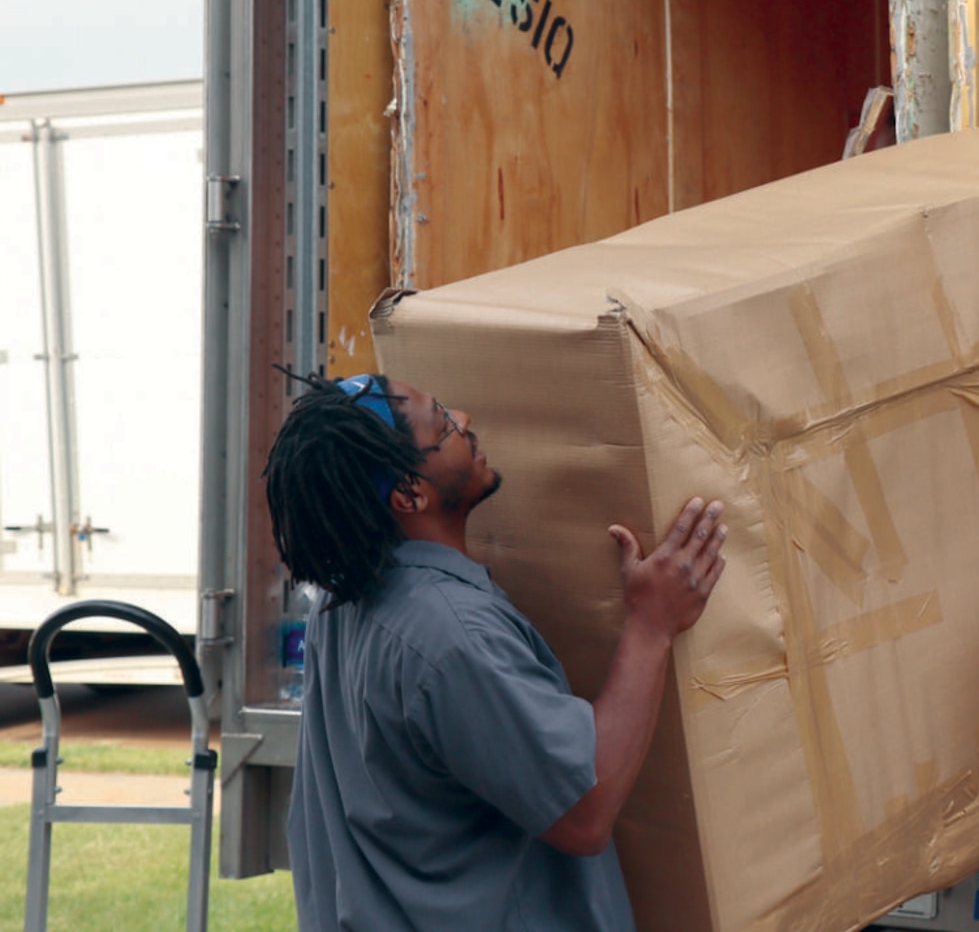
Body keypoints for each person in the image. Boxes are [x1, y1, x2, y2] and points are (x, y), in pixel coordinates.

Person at [262, 371, 728, 932]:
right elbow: (582, 813)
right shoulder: (450, 637)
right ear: (410, 493)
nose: (465, 420)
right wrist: (653, 625)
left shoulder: (344, 596)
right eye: (442, 422)